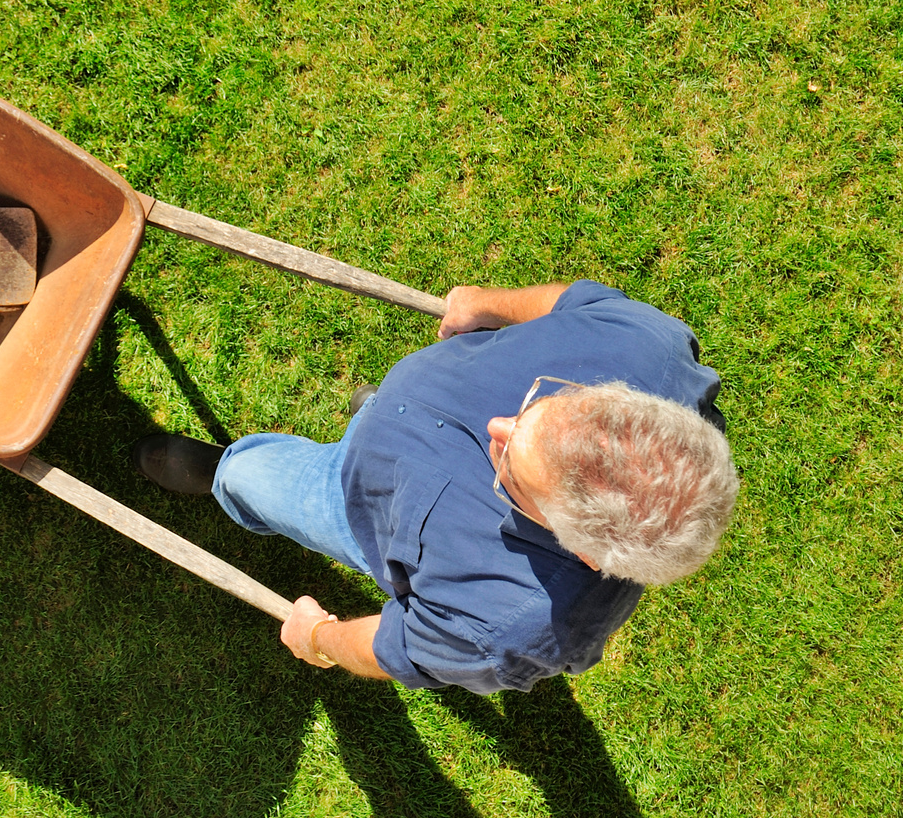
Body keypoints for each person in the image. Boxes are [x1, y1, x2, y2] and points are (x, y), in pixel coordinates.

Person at [132, 280, 737, 691]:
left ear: (578, 547)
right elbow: (575, 302)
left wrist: (319, 637)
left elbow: (394, 647)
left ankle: (224, 474)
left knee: (251, 476)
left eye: (510, 472)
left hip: (358, 500)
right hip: (404, 419)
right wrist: (490, 303)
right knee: (380, 413)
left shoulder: (506, 622)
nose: (497, 425)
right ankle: (378, 415)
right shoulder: (650, 348)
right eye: (537, 403)